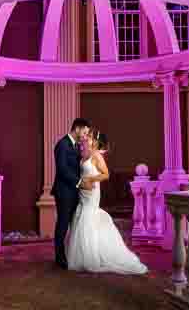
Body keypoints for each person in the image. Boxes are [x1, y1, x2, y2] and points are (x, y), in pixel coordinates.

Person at [67, 127, 148, 275]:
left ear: (94, 141)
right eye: (86, 137)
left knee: (88, 216)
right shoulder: (85, 155)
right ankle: (82, 256)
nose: (86, 138)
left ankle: (91, 257)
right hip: (83, 191)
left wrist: (91, 179)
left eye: (89, 137)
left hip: (92, 191)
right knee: (81, 215)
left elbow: (106, 174)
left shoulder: (97, 156)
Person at [51, 118, 92, 269]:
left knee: (74, 224)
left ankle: (70, 255)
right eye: (85, 132)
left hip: (74, 192)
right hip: (63, 191)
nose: (85, 135)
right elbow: (62, 170)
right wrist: (80, 182)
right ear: (77, 128)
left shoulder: (76, 146)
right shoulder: (62, 144)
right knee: (62, 224)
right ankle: (59, 257)